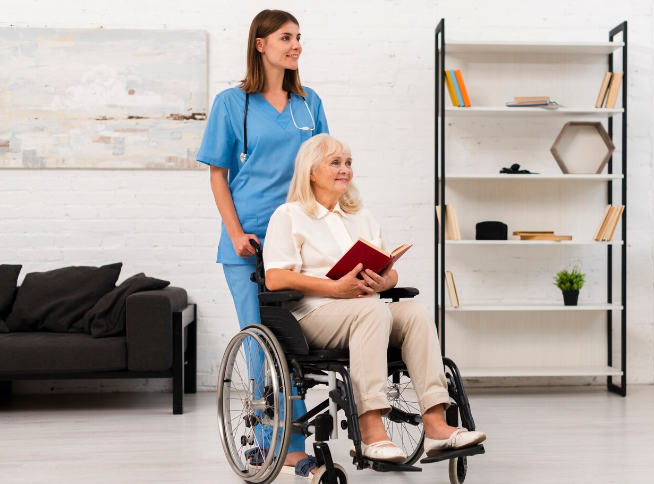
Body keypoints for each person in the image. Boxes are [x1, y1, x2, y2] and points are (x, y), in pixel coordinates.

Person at [263, 134, 486, 463]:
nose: (345, 169)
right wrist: (334, 288)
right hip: (313, 315)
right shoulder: (290, 215)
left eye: (349, 163)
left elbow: (388, 270)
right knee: (372, 311)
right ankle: (369, 432)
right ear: (311, 172)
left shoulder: (359, 215)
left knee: (414, 311)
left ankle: (437, 426)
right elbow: (275, 277)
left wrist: (383, 280)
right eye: (336, 163)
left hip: (364, 312)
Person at [196, 9, 328, 477]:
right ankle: (283, 445)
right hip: (249, 242)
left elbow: (325, 168)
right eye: (286, 37)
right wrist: (234, 232)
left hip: (299, 241)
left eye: (298, 38)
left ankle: (290, 438)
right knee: (262, 343)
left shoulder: (309, 102)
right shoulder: (232, 103)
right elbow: (218, 173)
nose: (295, 45)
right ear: (261, 44)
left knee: (300, 342)